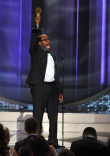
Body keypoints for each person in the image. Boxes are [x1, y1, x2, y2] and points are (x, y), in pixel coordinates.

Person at [26, 16, 64, 148]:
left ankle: (53, 142)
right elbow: (32, 43)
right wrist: (36, 30)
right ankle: (36, 143)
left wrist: (60, 91)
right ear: (39, 43)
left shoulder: (52, 56)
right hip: (40, 88)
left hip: (53, 89)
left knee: (53, 118)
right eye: (45, 39)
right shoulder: (36, 53)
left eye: (49, 39)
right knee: (38, 117)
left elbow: (56, 75)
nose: (49, 41)